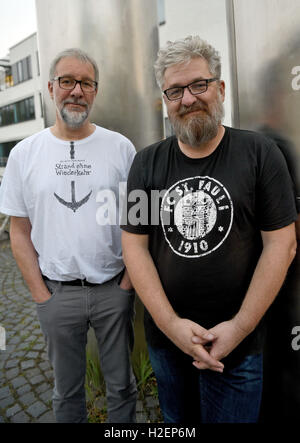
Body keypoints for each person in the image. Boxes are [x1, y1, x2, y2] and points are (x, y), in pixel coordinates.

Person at [121, 35, 297, 423]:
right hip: (168, 345)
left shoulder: (259, 154)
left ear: (220, 87)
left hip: (240, 345)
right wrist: (171, 326)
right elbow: (134, 248)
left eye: (199, 85)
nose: (188, 99)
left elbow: (281, 245)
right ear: (164, 102)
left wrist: (238, 328)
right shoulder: (145, 164)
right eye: (175, 90)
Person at [0, 48, 137, 423]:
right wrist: (41, 298)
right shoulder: (25, 154)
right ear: (50, 88)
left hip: (113, 291)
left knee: (122, 386)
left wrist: (126, 285)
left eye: (86, 83)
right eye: (67, 81)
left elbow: (137, 222)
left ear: (95, 91)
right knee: (66, 391)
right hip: (56, 293)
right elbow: (19, 230)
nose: (76, 90)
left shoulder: (121, 148)